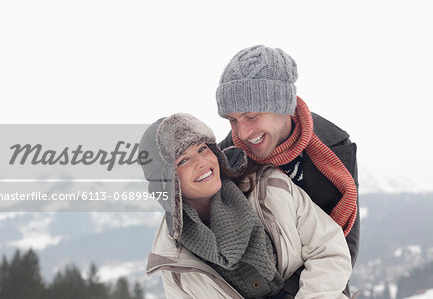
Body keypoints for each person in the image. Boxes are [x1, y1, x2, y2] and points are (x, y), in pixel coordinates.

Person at [140, 113, 352, 299]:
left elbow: (330, 251)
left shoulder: (270, 187)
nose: (202, 162)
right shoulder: (172, 259)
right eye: (183, 161)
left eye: (203, 149)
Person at [216, 45, 359, 297]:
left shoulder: (334, 150)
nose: (243, 133)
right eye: (233, 120)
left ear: (283, 106)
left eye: (251, 116)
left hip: (323, 285)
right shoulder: (227, 158)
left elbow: (343, 245)